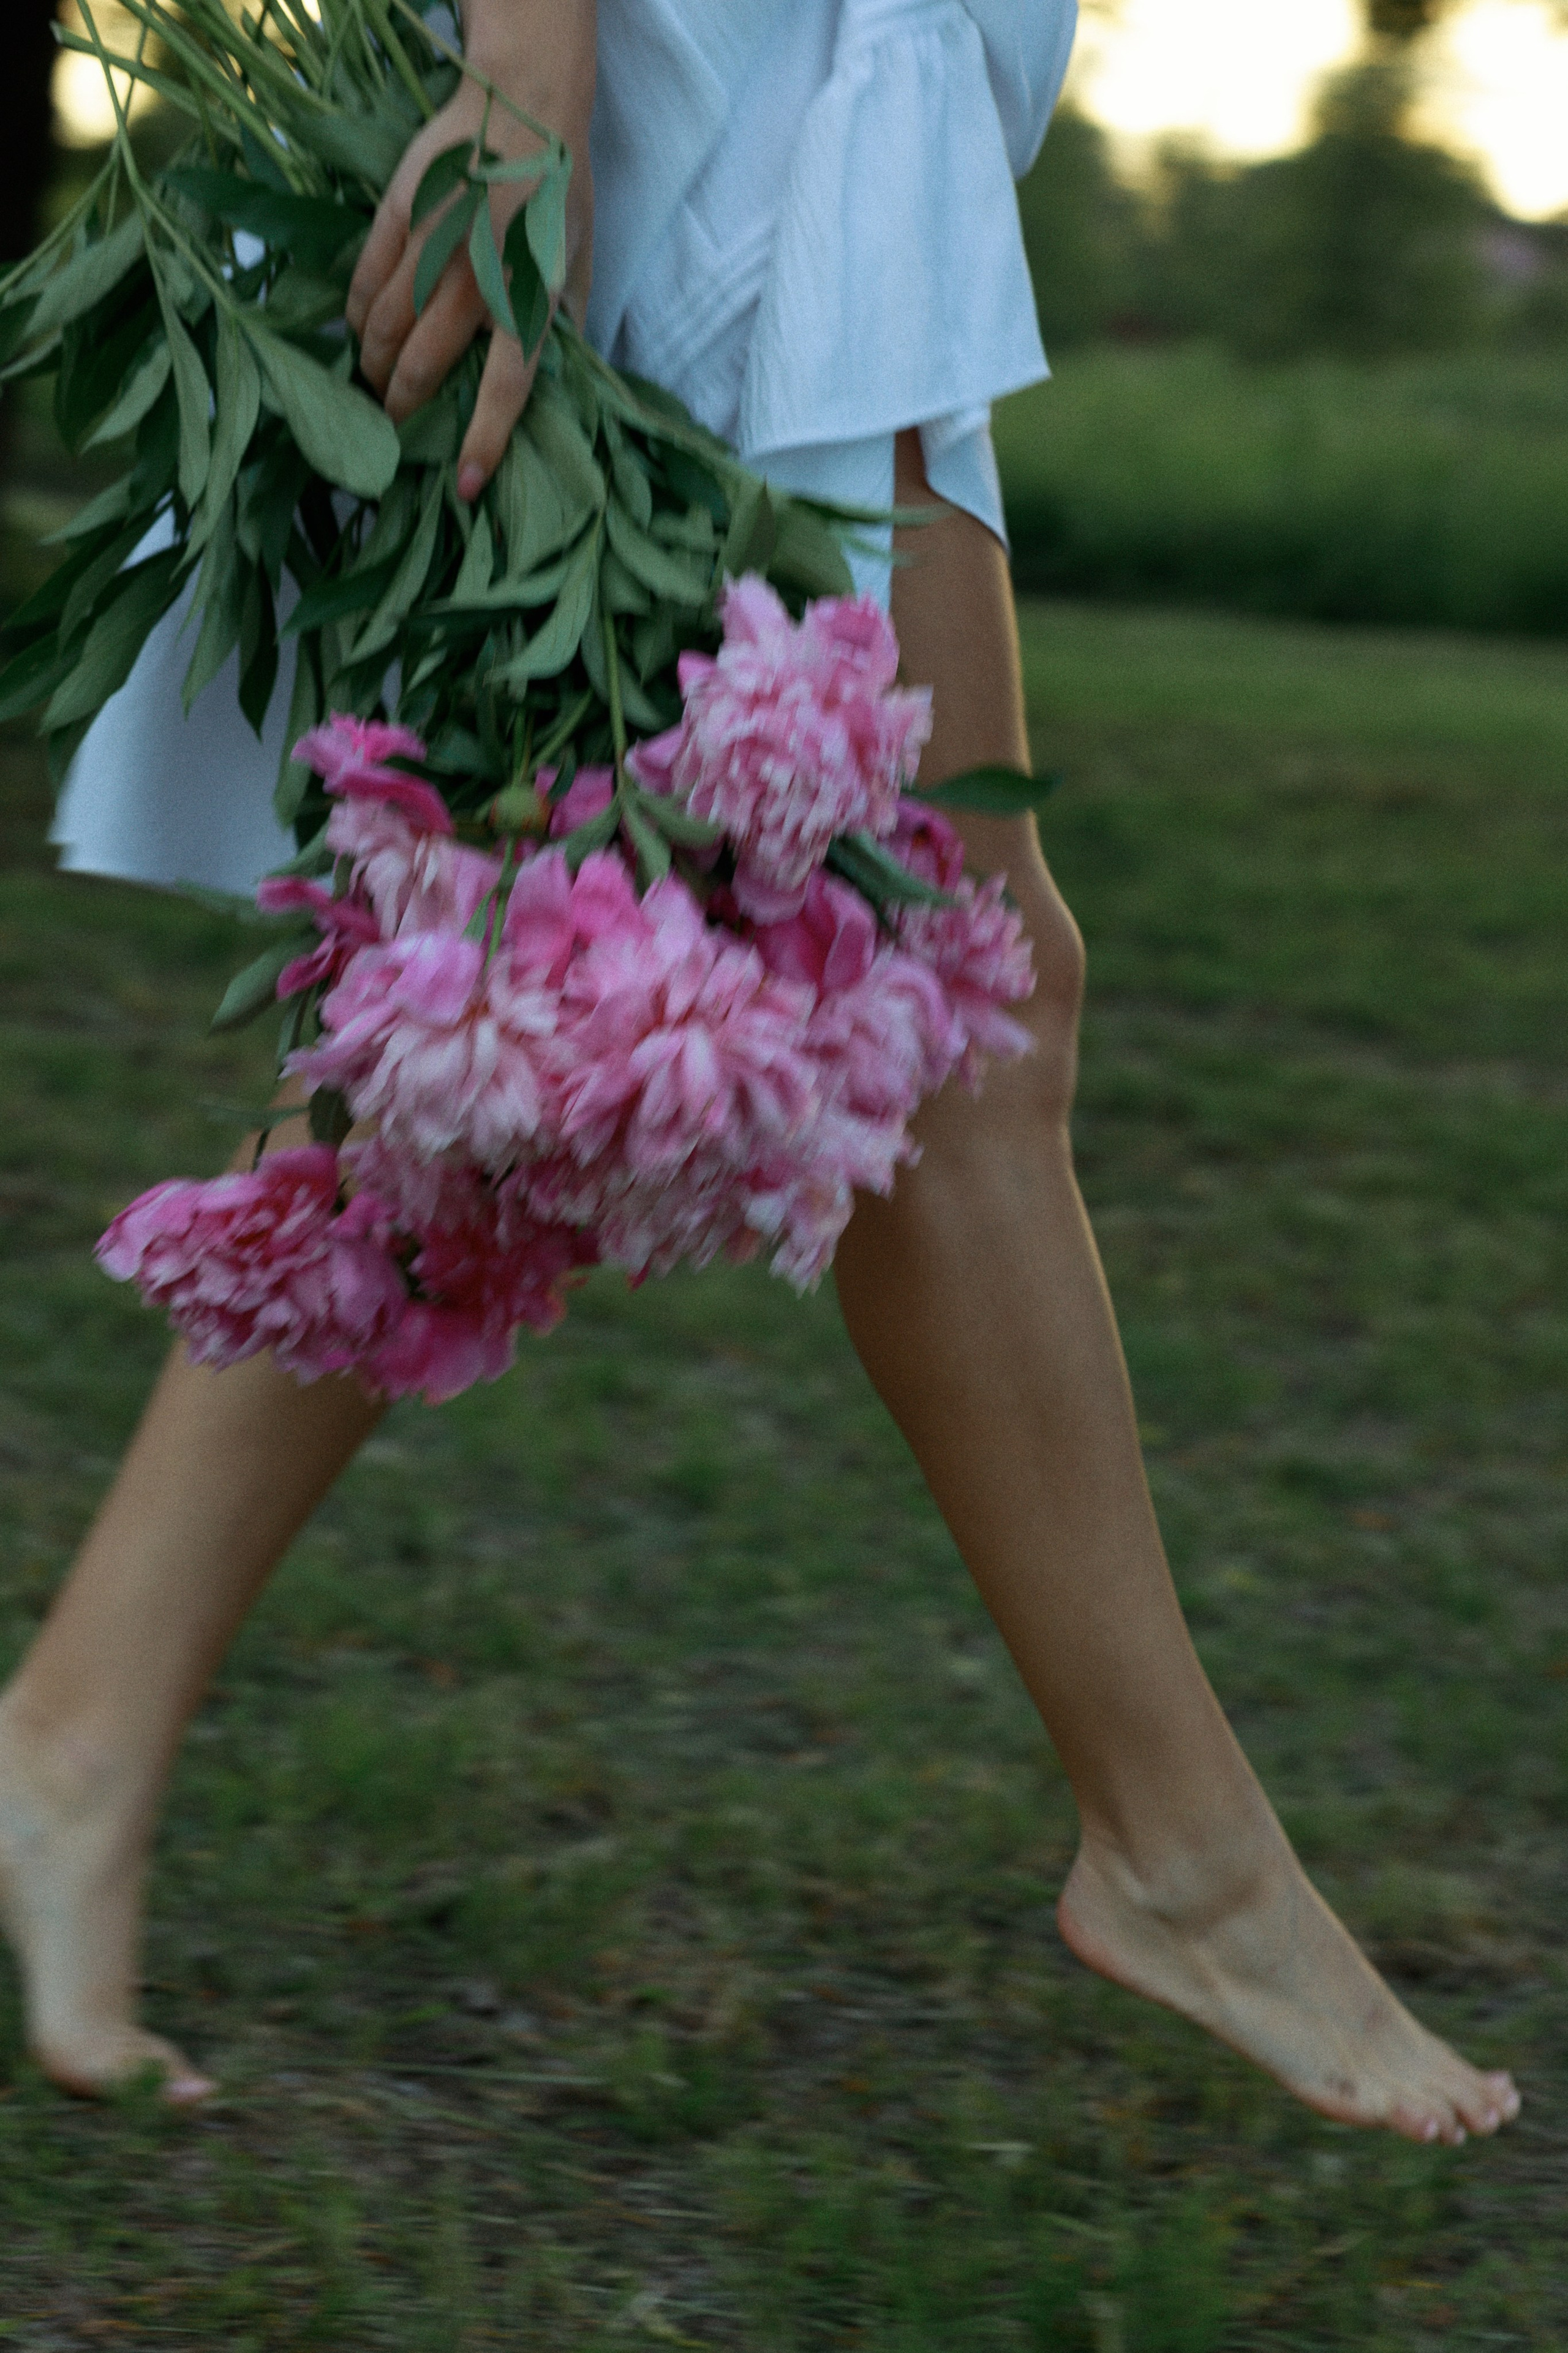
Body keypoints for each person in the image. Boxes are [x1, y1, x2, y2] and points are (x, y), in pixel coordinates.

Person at [0, 0, 1520, 2145]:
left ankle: (74, 1731)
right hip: (744, 58)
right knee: (942, 984)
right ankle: (1187, 1862)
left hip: (793, 62)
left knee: (548, 956)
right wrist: (533, 58)